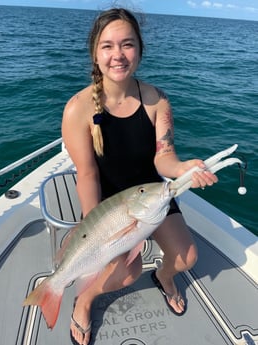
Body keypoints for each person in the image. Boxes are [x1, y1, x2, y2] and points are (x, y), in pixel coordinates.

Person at [62, 7, 218, 345]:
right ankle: (84, 300)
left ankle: (163, 277)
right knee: (128, 272)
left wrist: (182, 169)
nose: (118, 55)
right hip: (109, 206)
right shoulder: (78, 109)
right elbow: (87, 174)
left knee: (186, 258)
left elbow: (164, 157)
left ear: (140, 50)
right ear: (95, 52)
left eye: (127, 44)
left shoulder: (156, 100)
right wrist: (96, 227)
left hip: (152, 196)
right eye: (107, 46)